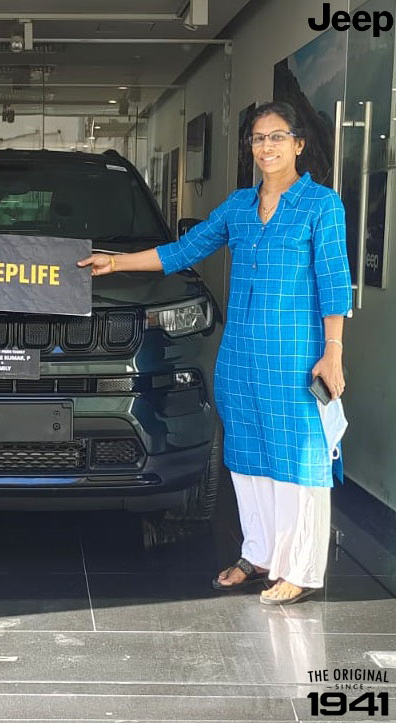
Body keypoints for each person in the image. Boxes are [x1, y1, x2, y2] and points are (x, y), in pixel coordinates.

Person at [78, 101, 351, 605]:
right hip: (241, 354)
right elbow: (182, 251)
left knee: (299, 457)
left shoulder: (321, 205)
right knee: (246, 457)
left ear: (298, 143)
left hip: (296, 353)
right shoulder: (240, 207)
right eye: (258, 139)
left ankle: (301, 568)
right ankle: (260, 554)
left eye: (276, 137)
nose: (266, 147)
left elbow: (334, 284)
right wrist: (114, 264)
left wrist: (332, 351)